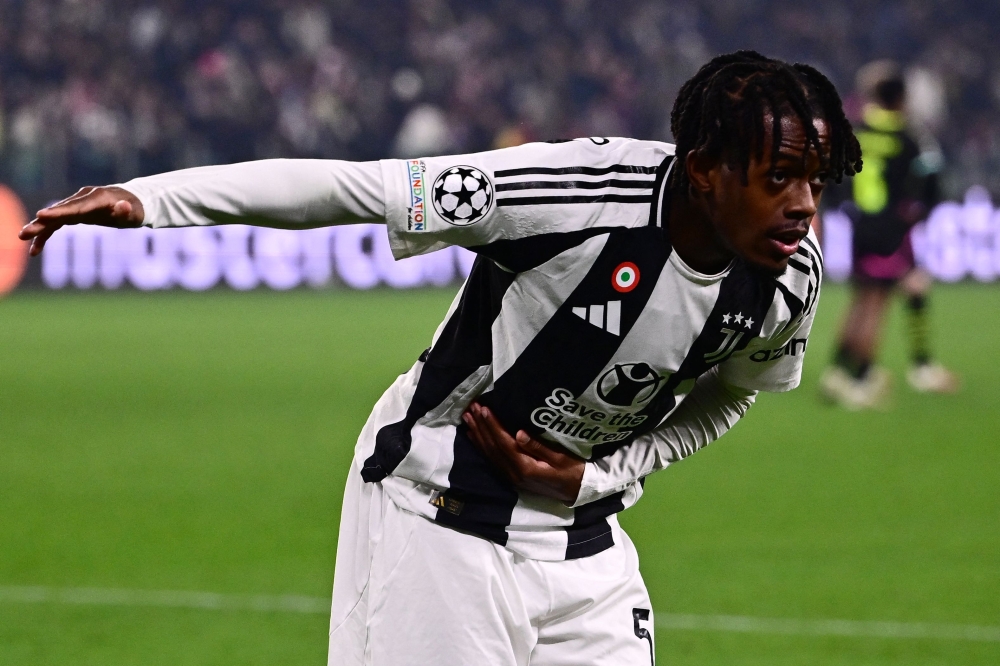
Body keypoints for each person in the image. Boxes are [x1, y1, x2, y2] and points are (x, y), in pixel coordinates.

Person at [20, 51, 861, 666]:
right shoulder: (571, 194)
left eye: (817, 181)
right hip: (439, 518)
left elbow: (732, 396)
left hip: (585, 547)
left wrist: (602, 477)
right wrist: (156, 201)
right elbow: (356, 189)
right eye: (780, 177)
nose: (802, 207)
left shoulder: (788, 279)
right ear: (707, 168)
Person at [820, 61, 958, 410]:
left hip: (860, 226)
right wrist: (917, 214)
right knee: (876, 306)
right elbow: (930, 182)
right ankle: (862, 381)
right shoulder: (909, 137)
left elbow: (836, 179)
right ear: (901, 99)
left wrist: (846, 208)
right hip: (891, 230)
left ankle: (837, 373)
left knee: (860, 299)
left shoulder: (858, 130)